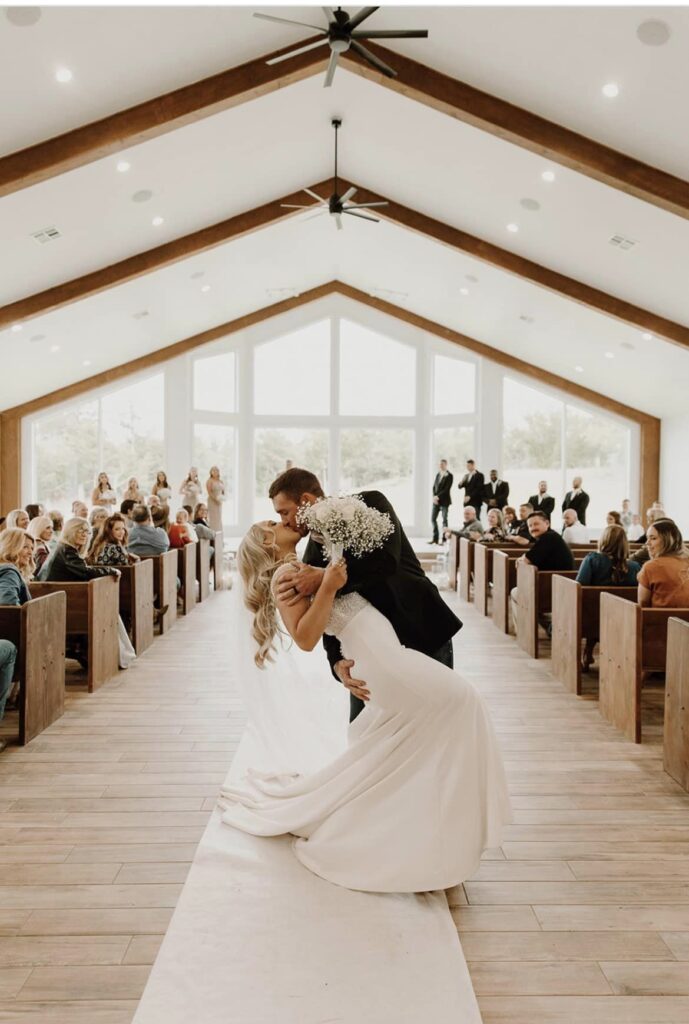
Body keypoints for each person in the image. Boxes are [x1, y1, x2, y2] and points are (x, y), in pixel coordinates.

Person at [218, 512, 510, 895]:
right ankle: (435, 831)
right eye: (271, 524)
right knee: (462, 702)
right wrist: (328, 586)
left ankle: (421, 830)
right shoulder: (283, 576)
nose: (280, 520)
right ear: (267, 543)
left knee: (428, 731)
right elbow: (305, 637)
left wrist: (328, 578)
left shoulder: (306, 561)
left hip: (388, 652)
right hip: (384, 660)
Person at [268, 467, 463, 724]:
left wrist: (324, 577)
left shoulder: (370, 502)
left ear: (304, 500)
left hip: (420, 630)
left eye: (285, 512)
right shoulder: (312, 555)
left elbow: (386, 562)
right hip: (368, 656)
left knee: (437, 721)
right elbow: (327, 615)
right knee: (365, 736)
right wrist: (338, 664)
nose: (284, 521)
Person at [40, 518, 135, 670]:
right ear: (70, 531)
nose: (84, 534)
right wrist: (110, 570)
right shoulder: (66, 550)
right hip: (58, 604)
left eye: (87, 531)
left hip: (59, 599)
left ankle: (116, 654)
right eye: (80, 530)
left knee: (109, 609)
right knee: (106, 610)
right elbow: (85, 572)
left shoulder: (66, 550)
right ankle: (116, 655)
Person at [576, 525, 641, 670]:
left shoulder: (592, 560)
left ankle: (587, 651)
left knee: (592, 608)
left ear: (603, 540)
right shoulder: (635, 567)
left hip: (591, 617)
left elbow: (578, 587)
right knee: (603, 610)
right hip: (622, 619)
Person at [511, 511, 575, 635]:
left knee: (516, 592)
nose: (532, 528)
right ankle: (552, 628)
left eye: (536, 524)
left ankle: (523, 633)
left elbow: (525, 561)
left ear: (547, 523)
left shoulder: (548, 538)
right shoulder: (551, 537)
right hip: (560, 586)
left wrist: (521, 559)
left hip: (554, 589)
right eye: (530, 526)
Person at [0, 529, 33, 752]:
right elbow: (7, 603)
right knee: (9, 649)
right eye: (25, 547)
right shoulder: (9, 570)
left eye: (32, 548)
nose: (30, 552)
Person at [637, 520, 689, 608]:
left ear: (668, 541)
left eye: (653, 538)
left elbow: (643, 603)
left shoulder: (651, 567)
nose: (647, 543)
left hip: (660, 620)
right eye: (647, 538)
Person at [429, 458, 453, 544]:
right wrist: (434, 497)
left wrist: (438, 496)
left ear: (446, 465)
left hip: (445, 501)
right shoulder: (438, 474)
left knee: (444, 520)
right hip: (436, 501)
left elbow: (447, 489)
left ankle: (444, 539)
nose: (441, 466)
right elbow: (434, 487)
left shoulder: (449, 475)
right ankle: (435, 539)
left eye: (442, 464)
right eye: (440, 464)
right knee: (433, 519)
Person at [206, 466, 226, 533]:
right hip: (212, 501)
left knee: (219, 518)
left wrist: (222, 499)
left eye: (217, 470)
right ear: (211, 472)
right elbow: (209, 492)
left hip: (219, 502)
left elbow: (223, 492)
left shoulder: (221, 481)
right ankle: (213, 535)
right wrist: (216, 500)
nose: (215, 472)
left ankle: (219, 537)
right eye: (213, 470)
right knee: (213, 518)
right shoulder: (209, 481)